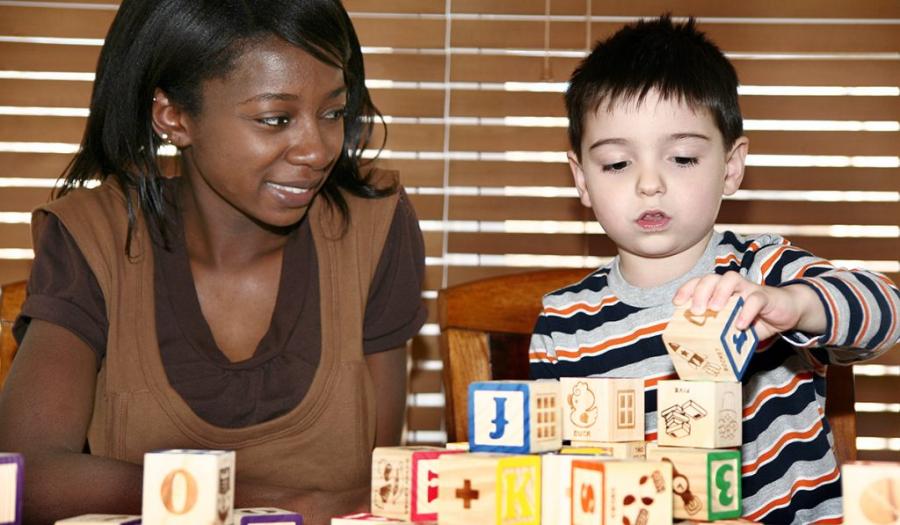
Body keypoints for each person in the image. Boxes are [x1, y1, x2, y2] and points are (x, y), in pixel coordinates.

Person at [0, 1, 427, 523]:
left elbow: (378, 488)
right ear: (173, 116)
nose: (318, 149)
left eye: (334, 113)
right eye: (276, 119)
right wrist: (275, 504)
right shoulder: (94, 238)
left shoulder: (374, 227)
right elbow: (25, 476)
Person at [529, 15, 899, 524]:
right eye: (617, 163)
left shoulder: (763, 272)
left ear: (731, 166)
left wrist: (794, 306)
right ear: (582, 179)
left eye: (681, 157)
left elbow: (885, 313)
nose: (650, 183)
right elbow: (550, 480)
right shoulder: (563, 322)